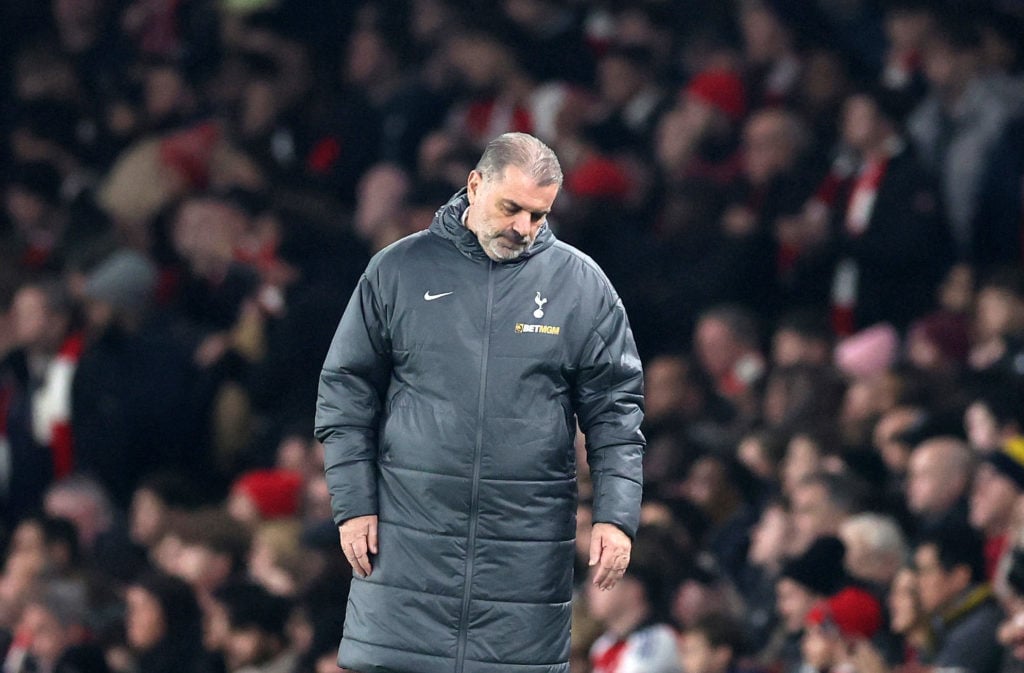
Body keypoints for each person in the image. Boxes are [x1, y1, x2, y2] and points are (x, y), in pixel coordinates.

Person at [315, 132, 645, 673]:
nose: (523, 228)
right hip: (405, 553)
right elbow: (345, 393)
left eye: (538, 216)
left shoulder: (581, 285)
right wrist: (352, 505)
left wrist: (615, 516)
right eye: (511, 207)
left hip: (524, 564)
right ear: (474, 185)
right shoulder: (398, 270)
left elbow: (617, 410)